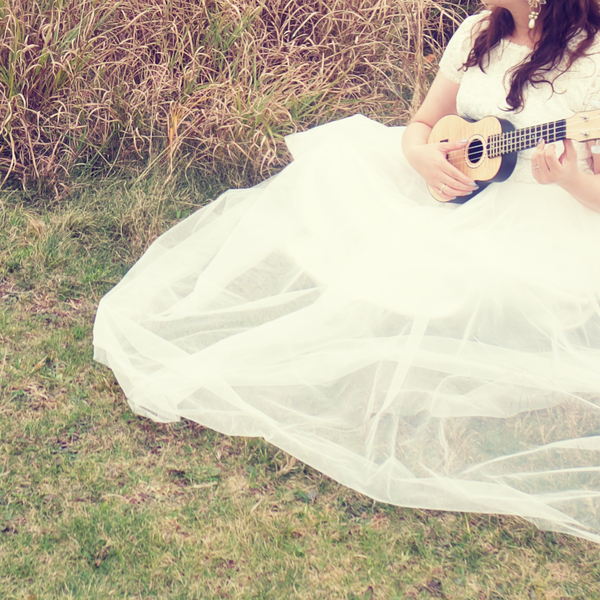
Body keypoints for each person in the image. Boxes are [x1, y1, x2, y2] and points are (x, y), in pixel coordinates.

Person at [93, 0, 600, 544]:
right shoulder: (478, 31)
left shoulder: (590, 56)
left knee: (471, 277)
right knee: (337, 164)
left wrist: (568, 180)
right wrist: (421, 158)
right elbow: (423, 124)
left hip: (542, 210)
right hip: (450, 181)